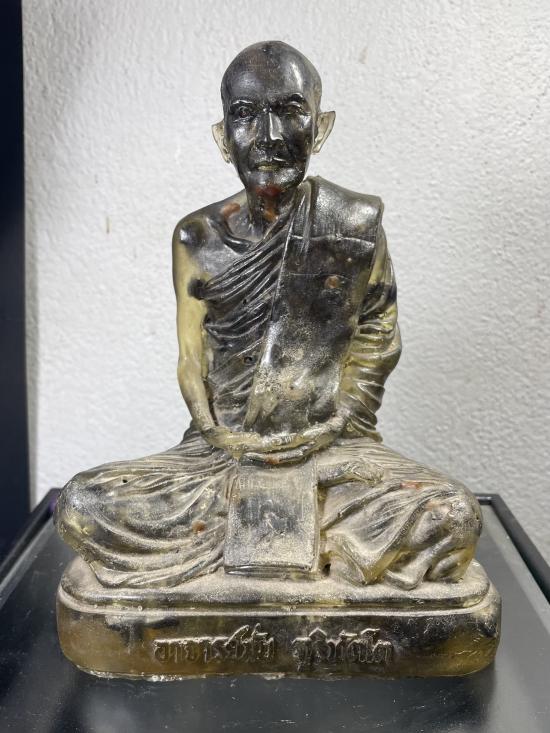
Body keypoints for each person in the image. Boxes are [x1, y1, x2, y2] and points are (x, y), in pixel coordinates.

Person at [55, 41, 481, 591]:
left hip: (330, 448)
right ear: (222, 136)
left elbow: (377, 335)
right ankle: (307, 539)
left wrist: (332, 428)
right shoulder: (196, 237)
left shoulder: (353, 224)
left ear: (320, 127)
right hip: (221, 455)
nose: (269, 137)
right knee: (84, 505)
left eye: (290, 111)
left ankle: (299, 534)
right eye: (245, 115)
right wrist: (220, 435)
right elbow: (190, 360)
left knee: (454, 515)